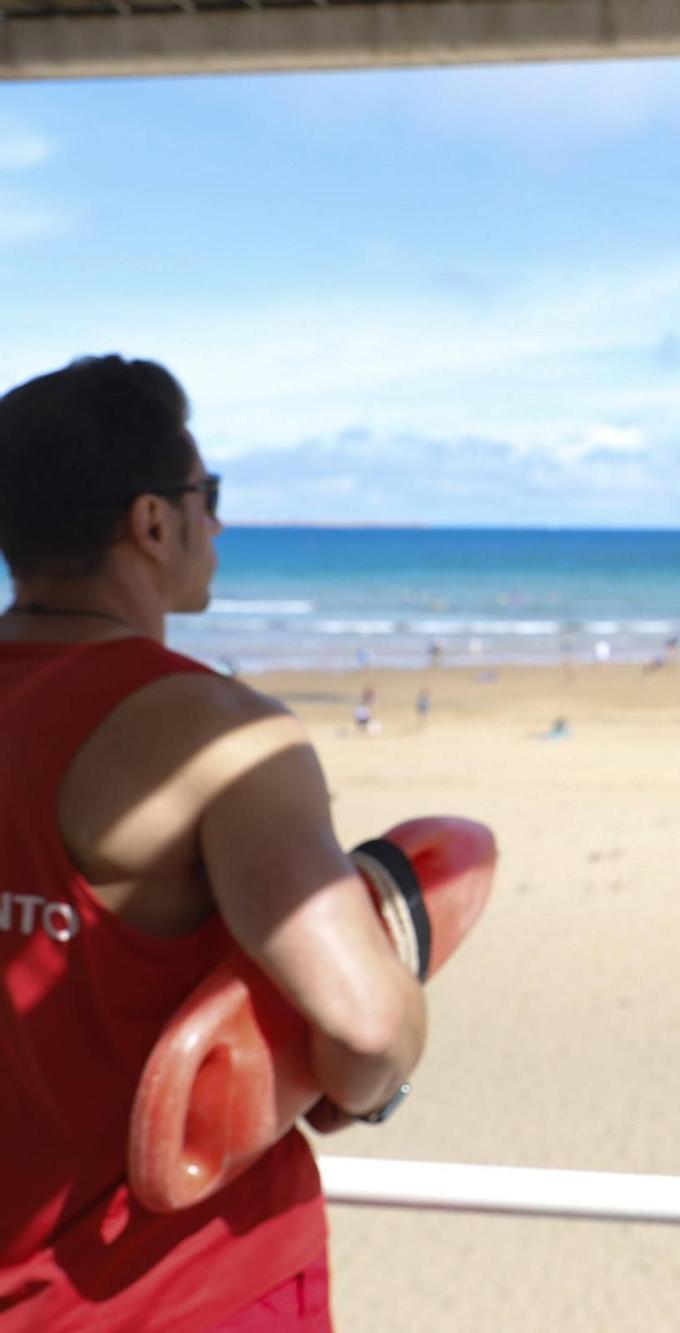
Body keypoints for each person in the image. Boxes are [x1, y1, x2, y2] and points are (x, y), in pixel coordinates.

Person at [0, 356, 428, 1330]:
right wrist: (378, 1070)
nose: (221, 524)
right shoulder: (218, 733)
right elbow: (364, 1028)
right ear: (153, 522)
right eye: (210, 495)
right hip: (185, 1288)